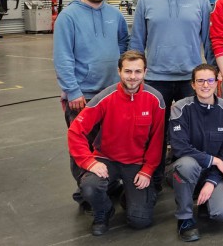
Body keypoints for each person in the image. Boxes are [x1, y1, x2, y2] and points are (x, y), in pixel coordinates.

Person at [130, 0, 214, 191]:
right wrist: (135, 77)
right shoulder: (146, 0)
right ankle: (153, 179)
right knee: (155, 133)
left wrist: (211, 72)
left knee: (196, 131)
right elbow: (136, 41)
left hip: (191, 79)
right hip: (157, 79)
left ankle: (196, 177)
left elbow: (208, 39)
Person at [53, 0, 129, 209]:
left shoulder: (115, 15)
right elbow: (62, 56)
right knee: (83, 146)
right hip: (82, 95)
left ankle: (109, 184)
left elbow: (123, 46)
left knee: (109, 142)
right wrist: (73, 90)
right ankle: (86, 191)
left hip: (112, 93)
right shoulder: (69, 16)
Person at [67, 51, 165, 236]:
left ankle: (128, 195)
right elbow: (75, 131)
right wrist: (90, 162)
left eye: (138, 71)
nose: (133, 77)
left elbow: (157, 139)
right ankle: (103, 211)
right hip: (106, 160)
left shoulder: (155, 99)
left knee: (140, 221)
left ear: (145, 72)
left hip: (136, 163)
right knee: (89, 186)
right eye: (128, 71)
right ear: (119, 71)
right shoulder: (104, 98)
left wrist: (148, 170)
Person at [167, 64, 223, 242]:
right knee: (187, 163)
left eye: (210, 80)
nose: (205, 85)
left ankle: (206, 199)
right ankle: (184, 219)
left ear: (217, 82)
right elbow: (179, 146)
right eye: (200, 81)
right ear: (192, 84)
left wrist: (212, 181)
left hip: (213, 174)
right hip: (183, 170)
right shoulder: (180, 108)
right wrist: (213, 160)